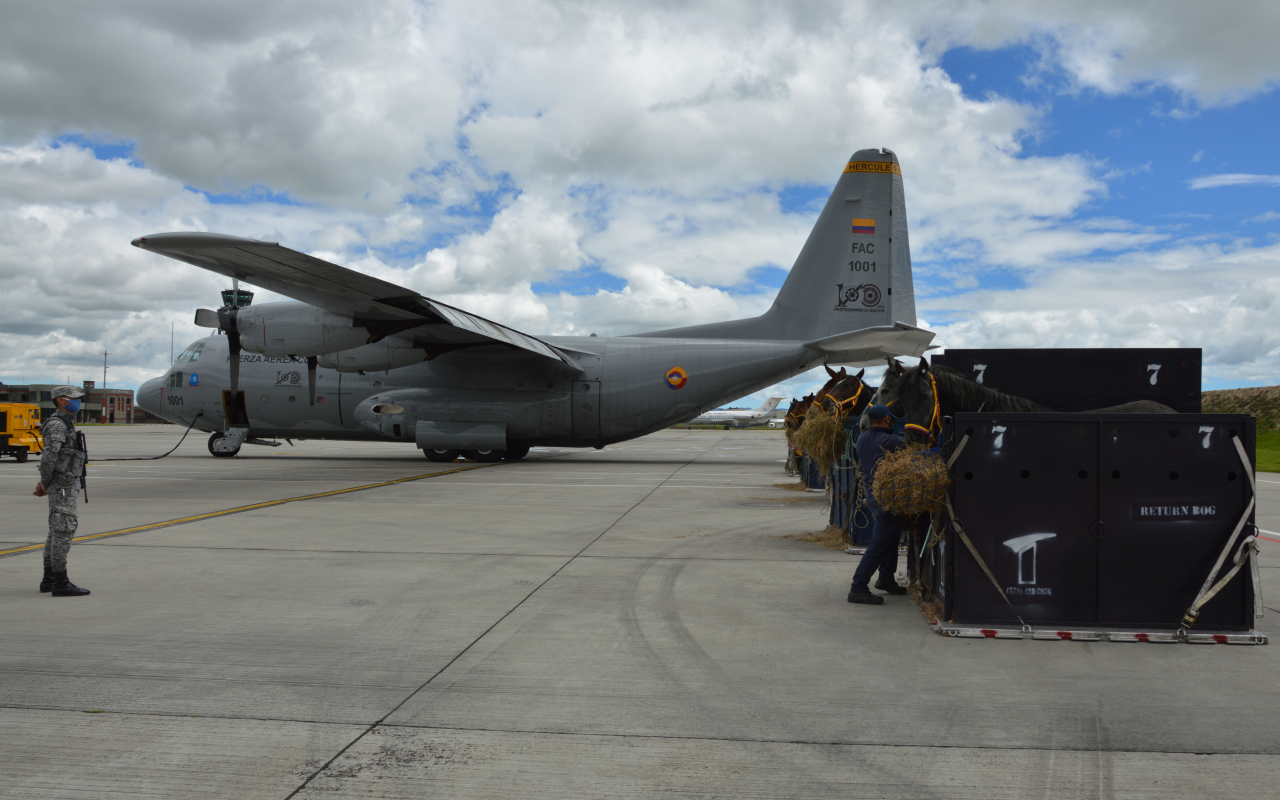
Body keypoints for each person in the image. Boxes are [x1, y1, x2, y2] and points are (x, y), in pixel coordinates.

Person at [33, 386, 90, 597]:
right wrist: (44, 483)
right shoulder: (57, 425)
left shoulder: (65, 423)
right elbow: (49, 456)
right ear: (60, 400)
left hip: (64, 483)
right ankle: (60, 582)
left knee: (55, 531)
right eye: (72, 399)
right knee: (64, 529)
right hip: (63, 485)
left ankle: (49, 579)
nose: (76, 402)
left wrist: (46, 482)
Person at [848, 404, 906, 605]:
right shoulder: (891, 441)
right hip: (887, 499)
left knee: (891, 538)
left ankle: (886, 579)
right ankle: (858, 587)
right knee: (879, 544)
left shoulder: (862, 438)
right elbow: (917, 451)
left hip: (873, 496)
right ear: (887, 419)